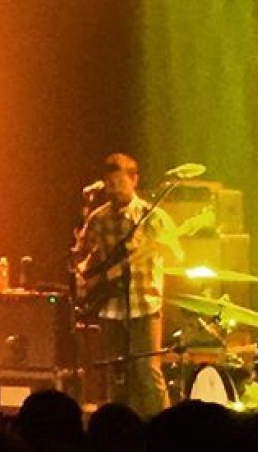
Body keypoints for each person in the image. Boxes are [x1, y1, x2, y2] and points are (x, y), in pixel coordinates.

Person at [71, 152, 182, 418]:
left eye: (120, 183)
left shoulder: (150, 216)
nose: (114, 189)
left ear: (134, 180)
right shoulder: (98, 218)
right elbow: (84, 255)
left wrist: (157, 245)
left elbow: (176, 253)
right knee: (115, 372)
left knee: (146, 369)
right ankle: (119, 427)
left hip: (144, 302)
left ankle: (161, 427)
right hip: (110, 305)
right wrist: (86, 275)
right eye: (109, 184)